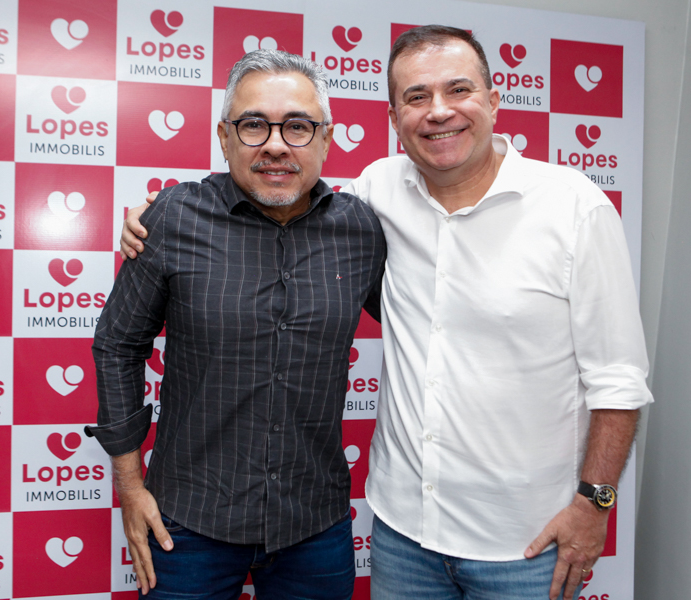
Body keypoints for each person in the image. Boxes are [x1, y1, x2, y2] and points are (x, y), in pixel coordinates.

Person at [121, 26, 653, 600]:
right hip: (404, 533)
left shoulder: (574, 207)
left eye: (458, 90)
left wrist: (595, 503)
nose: (439, 111)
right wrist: (157, 215)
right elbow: (282, 196)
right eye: (417, 96)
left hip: (524, 541)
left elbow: (618, 380)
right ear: (395, 118)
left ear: (495, 100)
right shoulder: (376, 193)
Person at [89, 49, 385, 600]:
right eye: (253, 125)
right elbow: (118, 345)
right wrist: (129, 485)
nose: (276, 144)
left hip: (314, 523)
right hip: (188, 523)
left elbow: (428, 322)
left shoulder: (363, 230)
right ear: (224, 138)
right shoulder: (172, 218)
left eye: (298, 126)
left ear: (325, 139)